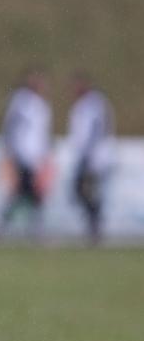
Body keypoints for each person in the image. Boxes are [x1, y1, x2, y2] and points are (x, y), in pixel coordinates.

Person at [0, 69, 52, 240]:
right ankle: (35, 231)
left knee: (23, 193)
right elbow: (10, 126)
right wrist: (11, 149)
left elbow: (41, 134)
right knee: (28, 192)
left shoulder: (41, 105)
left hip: (35, 158)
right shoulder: (21, 101)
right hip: (23, 155)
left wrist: (44, 154)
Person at [67, 73, 115, 245]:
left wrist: (88, 155)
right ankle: (95, 227)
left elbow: (96, 130)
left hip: (93, 158)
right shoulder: (85, 104)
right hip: (89, 156)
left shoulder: (93, 103)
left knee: (85, 191)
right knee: (84, 193)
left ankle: (95, 227)